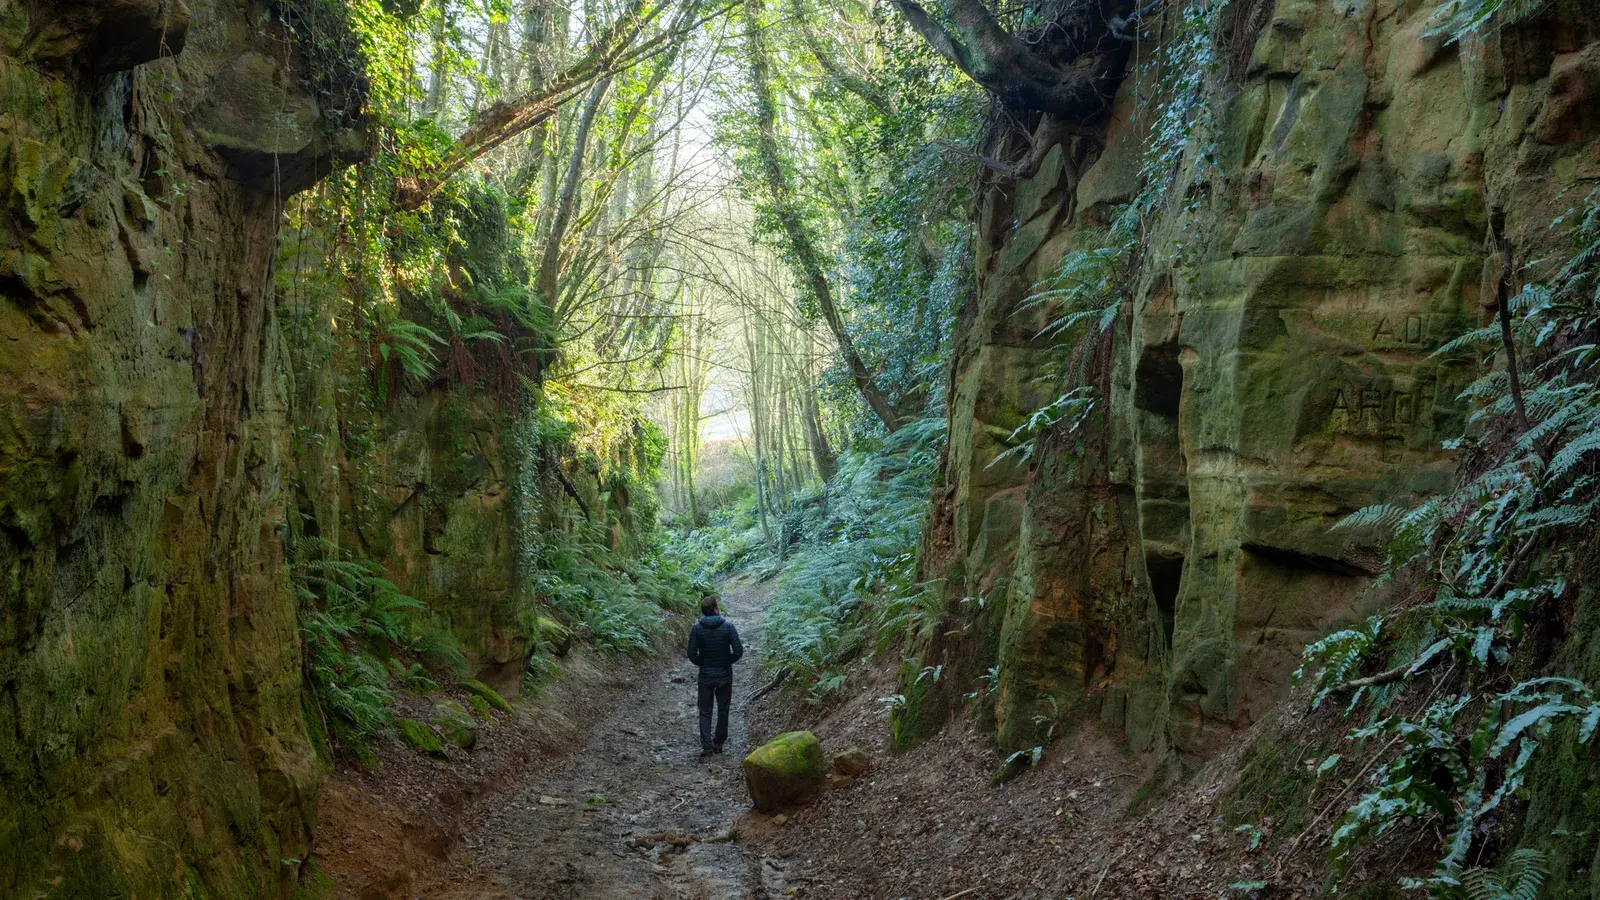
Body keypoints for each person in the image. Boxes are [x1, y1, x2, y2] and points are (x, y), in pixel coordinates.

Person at [686, 594, 743, 756]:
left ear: (704, 612)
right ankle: (719, 743)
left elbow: (691, 653)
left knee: (705, 710)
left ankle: (707, 747)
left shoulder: (697, 628)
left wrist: (702, 663)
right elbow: (738, 651)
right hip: (725, 674)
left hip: (705, 676)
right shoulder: (728, 627)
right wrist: (727, 661)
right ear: (716, 609)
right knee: (723, 709)